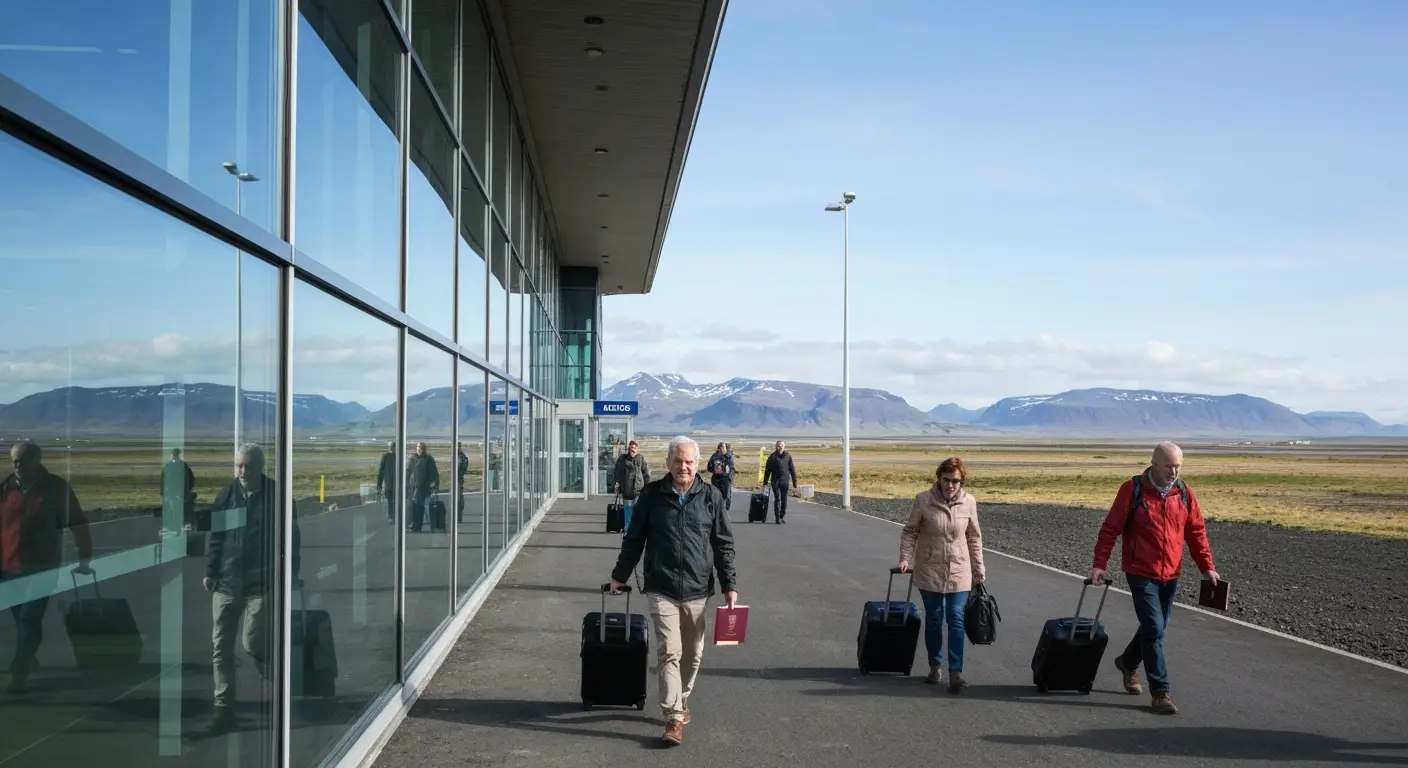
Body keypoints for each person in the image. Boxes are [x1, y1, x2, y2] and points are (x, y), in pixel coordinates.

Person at [609, 435, 738, 747]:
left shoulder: (710, 497)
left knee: (693, 655)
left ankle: (681, 697)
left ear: (697, 464)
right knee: (670, 651)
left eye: (689, 462)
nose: (684, 467)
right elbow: (634, 539)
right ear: (667, 463)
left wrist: (729, 584)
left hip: (698, 588)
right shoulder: (652, 496)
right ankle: (673, 718)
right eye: (678, 461)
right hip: (661, 587)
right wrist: (619, 576)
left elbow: (723, 544)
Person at [1090, 441, 1218, 716]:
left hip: (1171, 573)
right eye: (1170, 466)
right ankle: (1160, 692)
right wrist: (1099, 564)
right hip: (1140, 572)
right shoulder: (1133, 490)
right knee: (1154, 628)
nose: (1174, 472)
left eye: (1178, 466)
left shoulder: (1183, 493)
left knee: (1155, 629)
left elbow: (1196, 532)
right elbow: (1111, 528)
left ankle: (1127, 661)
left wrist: (1207, 567)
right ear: (1155, 464)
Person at [205, 443, 301, 733]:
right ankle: (223, 711)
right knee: (220, 648)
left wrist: (289, 574)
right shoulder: (226, 496)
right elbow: (217, 537)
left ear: (261, 467)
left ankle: (278, 677)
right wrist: (211, 572)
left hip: (261, 584)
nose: (242, 471)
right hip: (227, 581)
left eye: (247, 466)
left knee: (252, 642)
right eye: (238, 466)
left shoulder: (278, 497)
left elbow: (291, 541)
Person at [0, 442, 93, 693]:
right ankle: (28, 655)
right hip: (8, 567)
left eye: (22, 460)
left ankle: (19, 672)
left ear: (36, 459)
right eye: (13, 461)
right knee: (21, 620)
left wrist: (85, 557)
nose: (17, 466)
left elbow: (77, 522)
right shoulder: (5, 488)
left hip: (43, 566)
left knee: (30, 619)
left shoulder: (55, 488)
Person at [896, 457, 985, 693]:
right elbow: (910, 532)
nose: (951, 485)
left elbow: (974, 537)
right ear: (939, 478)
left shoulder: (969, 503)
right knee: (934, 620)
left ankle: (956, 673)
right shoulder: (923, 500)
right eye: (946, 480)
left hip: (959, 570)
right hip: (930, 570)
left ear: (961, 481)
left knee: (956, 619)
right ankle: (935, 666)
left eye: (955, 480)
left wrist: (979, 569)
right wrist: (905, 558)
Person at [612, 440, 650, 534]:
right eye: (630, 448)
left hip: (638, 490)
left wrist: (648, 487)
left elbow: (646, 473)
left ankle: (637, 531)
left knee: (637, 512)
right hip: (627, 490)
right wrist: (617, 484)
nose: (632, 450)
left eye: (633, 448)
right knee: (628, 512)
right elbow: (617, 472)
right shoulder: (623, 459)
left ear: (637, 449)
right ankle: (627, 531)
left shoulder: (640, 459)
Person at [406, 442, 440, 533]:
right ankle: (414, 525)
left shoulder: (428, 459)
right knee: (413, 506)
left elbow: (433, 474)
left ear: (424, 449)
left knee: (419, 506)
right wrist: (405, 484)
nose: (419, 449)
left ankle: (417, 526)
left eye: (421, 448)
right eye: (418, 447)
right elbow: (408, 471)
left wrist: (434, 486)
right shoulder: (413, 459)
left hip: (422, 487)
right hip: (412, 487)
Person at [762, 440, 798, 523]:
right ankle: (777, 517)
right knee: (777, 498)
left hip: (784, 481)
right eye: (778, 445)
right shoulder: (772, 457)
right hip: (775, 481)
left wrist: (794, 482)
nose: (779, 447)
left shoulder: (788, 456)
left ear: (784, 446)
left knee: (784, 499)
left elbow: (792, 469)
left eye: (781, 445)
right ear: (776, 447)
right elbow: (767, 470)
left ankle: (782, 515)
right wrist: (765, 481)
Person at [706, 442, 735, 510]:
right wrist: (714, 470)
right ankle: (717, 508)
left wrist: (730, 478)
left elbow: (732, 468)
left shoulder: (728, 456)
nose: (722, 449)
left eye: (724, 448)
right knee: (716, 494)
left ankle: (726, 506)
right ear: (718, 449)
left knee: (726, 495)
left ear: (726, 448)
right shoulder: (714, 456)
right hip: (716, 478)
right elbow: (709, 467)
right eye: (721, 448)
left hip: (726, 478)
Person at [376, 441, 397, 525]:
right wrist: (379, 485)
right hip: (389, 483)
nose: (390, 448)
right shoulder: (385, 457)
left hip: (397, 483)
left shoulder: (399, 457)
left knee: (397, 501)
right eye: (389, 446)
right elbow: (381, 472)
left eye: (391, 446)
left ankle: (397, 516)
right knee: (390, 501)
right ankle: (391, 517)